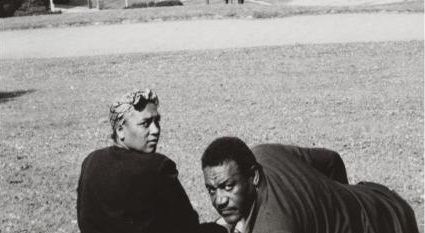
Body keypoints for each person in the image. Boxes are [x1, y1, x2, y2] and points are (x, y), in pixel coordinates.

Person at [201, 137, 419, 233]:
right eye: (211, 189)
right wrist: (336, 206)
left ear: (254, 177)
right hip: (378, 197)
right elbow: (331, 160)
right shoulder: (262, 153)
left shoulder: (275, 227)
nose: (219, 200)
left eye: (228, 187)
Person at [77, 88, 200, 233]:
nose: (155, 130)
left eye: (157, 121)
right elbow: (188, 224)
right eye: (145, 124)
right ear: (120, 130)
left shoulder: (91, 161)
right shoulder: (158, 167)